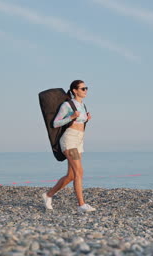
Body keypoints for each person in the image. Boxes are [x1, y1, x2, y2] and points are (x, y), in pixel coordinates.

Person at [41, 80, 96, 213]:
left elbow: (79, 122)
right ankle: (81, 205)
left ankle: (48, 195)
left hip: (79, 141)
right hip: (69, 139)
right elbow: (55, 123)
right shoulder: (67, 105)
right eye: (83, 88)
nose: (85, 90)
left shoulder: (83, 105)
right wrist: (71, 116)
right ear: (75, 90)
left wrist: (86, 119)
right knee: (79, 172)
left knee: (71, 175)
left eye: (86, 88)